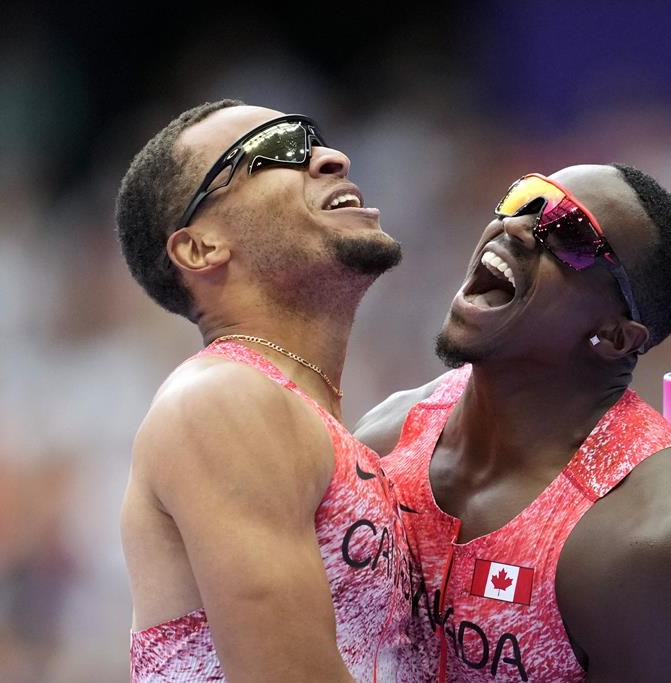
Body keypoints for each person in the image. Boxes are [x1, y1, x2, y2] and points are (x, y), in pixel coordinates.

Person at [355, 164, 671, 682]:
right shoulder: (385, 440)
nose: (516, 226)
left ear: (614, 337)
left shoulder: (652, 542)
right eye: (526, 199)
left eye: (569, 234)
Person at [116, 100, 415, 682]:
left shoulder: (301, 415)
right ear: (199, 248)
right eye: (276, 151)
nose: (332, 158)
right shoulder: (222, 398)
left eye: (314, 137)